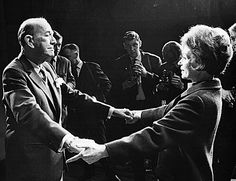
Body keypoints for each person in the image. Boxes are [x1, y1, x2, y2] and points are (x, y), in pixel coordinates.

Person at [68, 24, 233, 181]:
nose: (180, 62)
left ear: (200, 63)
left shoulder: (198, 99)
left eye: (185, 57)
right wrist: (137, 114)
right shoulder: (206, 89)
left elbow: (156, 134)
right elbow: (168, 109)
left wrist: (104, 149)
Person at [1, 17, 132, 181]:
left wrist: (112, 110)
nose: (54, 41)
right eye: (48, 35)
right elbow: (29, 112)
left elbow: (73, 95)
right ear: (30, 41)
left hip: (54, 162)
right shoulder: (14, 72)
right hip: (30, 165)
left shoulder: (47, 67)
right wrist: (69, 140)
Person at [108, 30, 162, 181]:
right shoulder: (118, 63)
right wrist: (126, 84)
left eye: (135, 45)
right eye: (129, 46)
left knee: (154, 144)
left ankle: (156, 175)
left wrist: (146, 74)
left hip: (151, 109)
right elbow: (113, 90)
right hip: (131, 110)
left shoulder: (154, 60)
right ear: (124, 46)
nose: (132, 49)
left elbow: (161, 84)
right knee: (135, 146)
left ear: (140, 44)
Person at [61, 43, 115, 180]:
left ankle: (110, 174)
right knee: (83, 146)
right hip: (78, 117)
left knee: (101, 143)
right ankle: (89, 173)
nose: (65, 59)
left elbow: (107, 84)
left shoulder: (92, 66)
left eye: (68, 56)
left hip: (94, 115)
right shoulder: (68, 70)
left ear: (76, 54)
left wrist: (97, 100)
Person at [213, 24, 236, 181]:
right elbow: (215, 81)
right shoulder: (228, 58)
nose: (232, 43)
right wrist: (222, 91)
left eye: (234, 38)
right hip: (229, 121)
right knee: (225, 164)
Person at [50, 30, 75, 127]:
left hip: (63, 107)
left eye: (59, 45)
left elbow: (72, 80)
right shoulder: (41, 62)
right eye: (54, 45)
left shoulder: (65, 62)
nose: (57, 48)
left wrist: (66, 86)